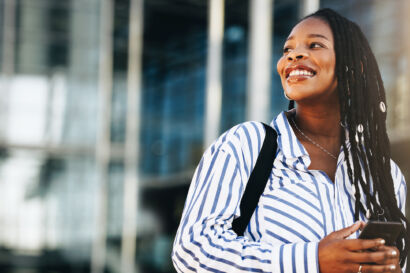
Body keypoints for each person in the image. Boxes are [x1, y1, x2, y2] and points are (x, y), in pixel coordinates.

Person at [172, 8, 409, 273]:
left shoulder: (384, 175)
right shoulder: (244, 145)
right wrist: (312, 259)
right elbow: (193, 251)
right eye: (287, 50)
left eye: (315, 45)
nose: (294, 55)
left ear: (354, 66)